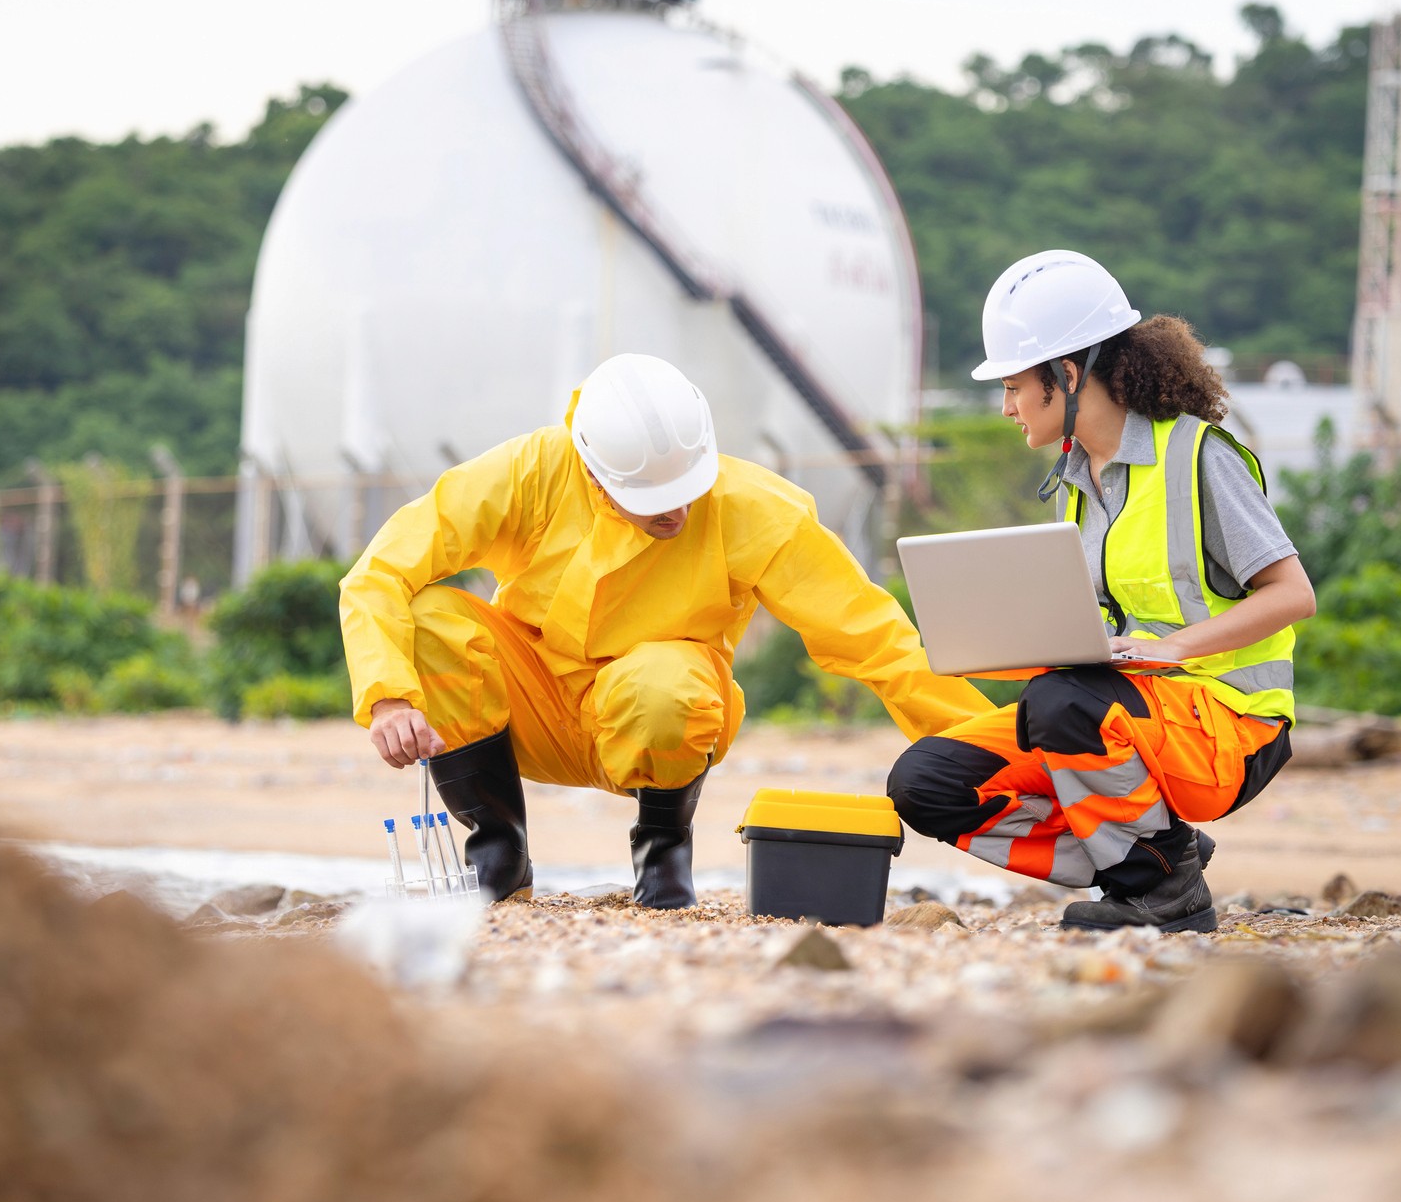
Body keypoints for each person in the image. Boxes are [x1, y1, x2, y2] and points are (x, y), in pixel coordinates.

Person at [340, 352, 992, 910]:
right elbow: (378, 573)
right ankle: (497, 852)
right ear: (592, 470)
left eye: (687, 488)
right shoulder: (529, 472)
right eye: (651, 498)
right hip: (522, 712)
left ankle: (662, 853)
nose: (676, 510)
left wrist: (989, 759)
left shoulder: (753, 510)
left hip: (659, 725)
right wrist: (387, 696)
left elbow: (875, 638)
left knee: (665, 679)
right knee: (429, 618)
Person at [886, 250, 1315, 934]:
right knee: (926, 781)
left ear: (1063, 374)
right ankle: (1152, 853)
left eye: (1013, 385)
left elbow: (1292, 595)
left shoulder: (1198, 456)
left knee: (1061, 702)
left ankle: (1162, 889)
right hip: (1125, 714)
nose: (1005, 407)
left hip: (1229, 727)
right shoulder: (1076, 484)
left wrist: (1170, 649)